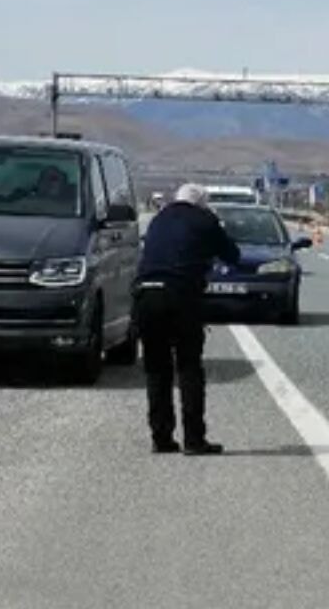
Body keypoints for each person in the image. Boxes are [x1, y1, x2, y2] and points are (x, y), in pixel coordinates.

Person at [133, 183, 240, 455]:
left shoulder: (158, 219)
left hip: (146, 294)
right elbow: (232, 254)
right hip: (181, 295)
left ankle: (161, 437)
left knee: (156, 369)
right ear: (202, 203)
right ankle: (194, 439)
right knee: (189, 367)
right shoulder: (205, 220)